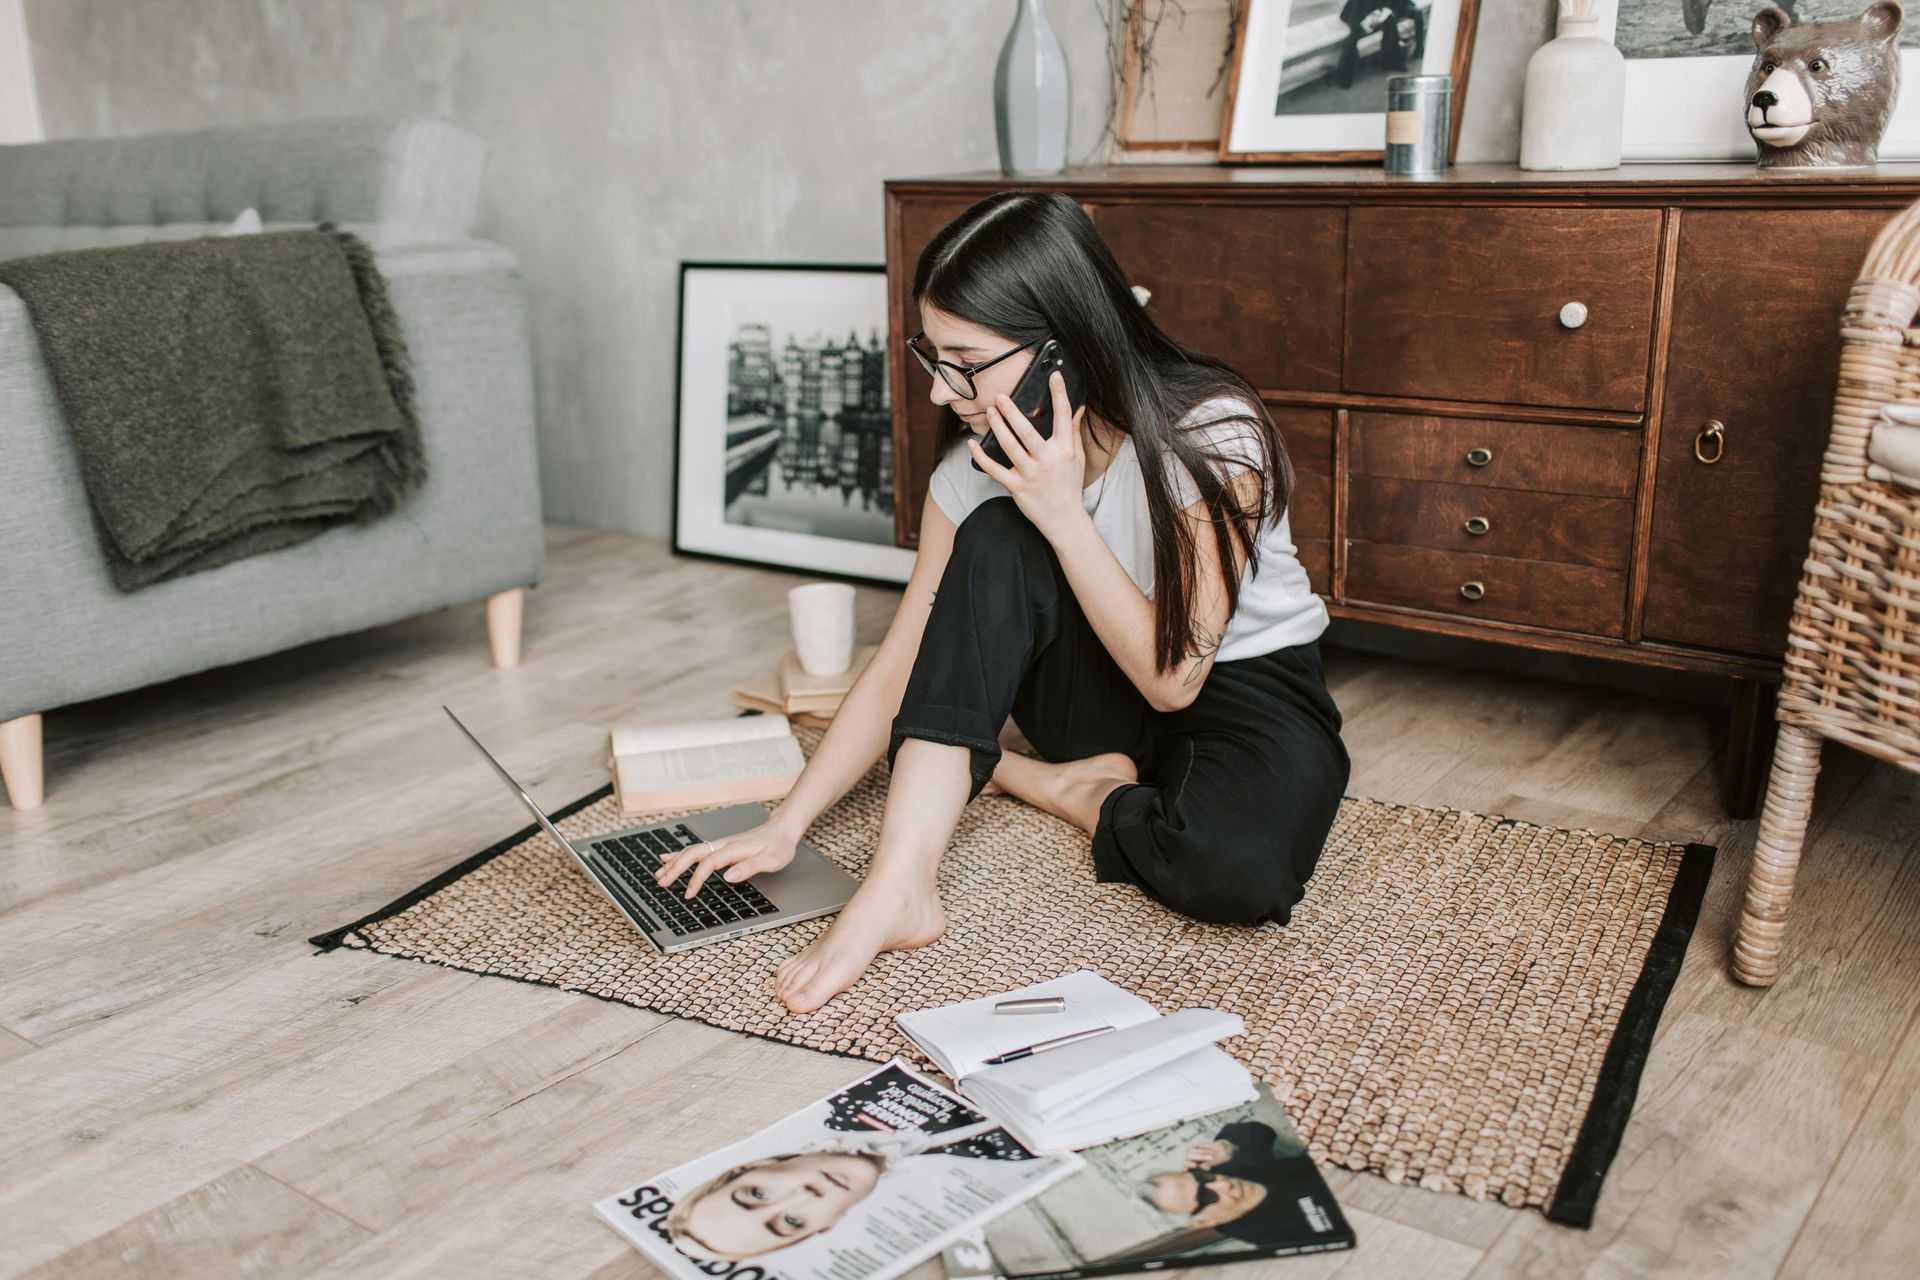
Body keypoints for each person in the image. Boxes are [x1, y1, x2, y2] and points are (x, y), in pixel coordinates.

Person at [653, 190, 1350, 1014]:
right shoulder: (971, 464)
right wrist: (787, 822)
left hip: (1243, 685)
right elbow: (905, 659)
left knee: (1237, 874)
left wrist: (1060, 510)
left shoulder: (1210, 435)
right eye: (933, 357)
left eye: (967, 360)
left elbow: (1176, 682)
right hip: (1090, 694)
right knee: (993, 534)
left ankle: (1050, 784)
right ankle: (901, 889)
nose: (945, 393)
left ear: (1062, 346)